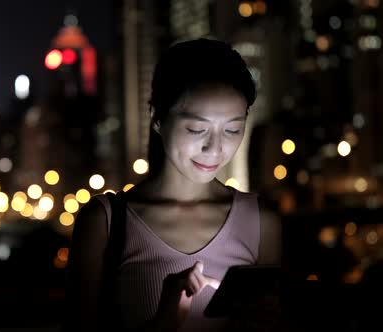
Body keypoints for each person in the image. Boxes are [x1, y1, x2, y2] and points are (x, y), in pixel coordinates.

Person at [62, 38, 282, 331]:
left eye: (232, 129)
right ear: (157, 118)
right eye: (196, 129)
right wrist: (162, 325)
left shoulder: (260, 222)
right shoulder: (105, 223)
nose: (215, 148)